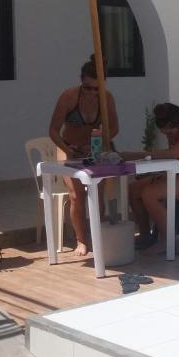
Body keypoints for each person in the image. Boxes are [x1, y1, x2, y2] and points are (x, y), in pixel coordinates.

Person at [48, 55, 119, 256]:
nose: (92, 93)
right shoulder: (69, 97)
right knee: (76, 195)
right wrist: (67, 149)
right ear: (81, 80)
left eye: (97, 89)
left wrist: (96, 142)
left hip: (93, 148)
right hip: (68, 146)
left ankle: (98, 234)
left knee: (97, 192)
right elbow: (53, 130)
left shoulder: (107, 98)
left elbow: (114, 128)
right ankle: (81, 240)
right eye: (88, 88)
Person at [122, 103, 179, 249]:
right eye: (166, 134)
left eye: (170, 133)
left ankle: (168, 242)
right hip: (176, 174)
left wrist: (134, 155)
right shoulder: (174, 133)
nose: (169, 136)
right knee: (133, 189)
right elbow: (171, 159)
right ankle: (145, 235)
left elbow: (173, 154)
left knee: (150, 194)